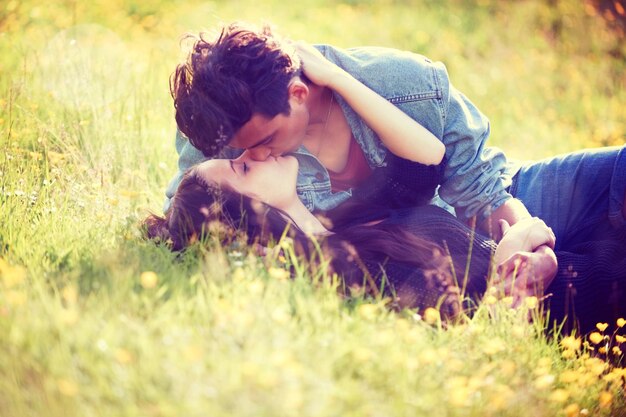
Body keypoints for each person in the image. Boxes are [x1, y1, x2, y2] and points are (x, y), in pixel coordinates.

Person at [163, 22, 626, 256]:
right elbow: (184, 215)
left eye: (265, 139)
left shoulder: (408, 84)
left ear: (298, 94)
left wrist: (522, 240)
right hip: (441, 258)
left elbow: (481, 192)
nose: (253, 154)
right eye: (243, 153)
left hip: (513, 200)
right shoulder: (225, 128)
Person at [146, 154, 626, 334]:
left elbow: (428, 156)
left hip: (582, 256)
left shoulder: (350, 221)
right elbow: (469, 333)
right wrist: (511, 257)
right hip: (596, 304)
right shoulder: (345, 284)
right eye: (242, 168)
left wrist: (332, 72)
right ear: (252, 219)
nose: (255, 152)